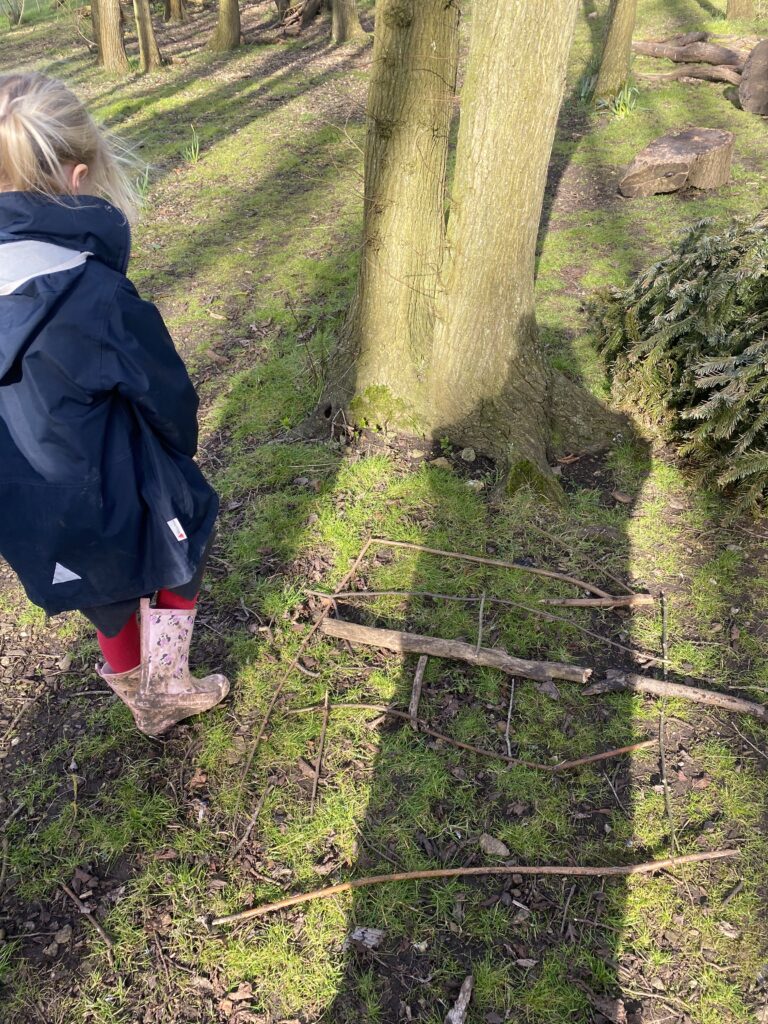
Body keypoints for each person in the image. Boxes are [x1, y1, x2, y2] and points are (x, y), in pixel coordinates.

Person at [0, 71, 229, 736]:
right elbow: (165, 393)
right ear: (78, 176)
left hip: (25, 502)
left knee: (101, 596)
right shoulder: (93, 294)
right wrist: (180, 442)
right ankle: (167, 688)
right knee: (188, 537)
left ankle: (139, 695)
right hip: (110, 484)